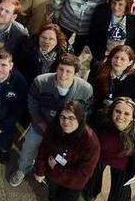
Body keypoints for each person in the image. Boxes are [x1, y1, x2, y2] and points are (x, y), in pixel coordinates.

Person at [9, 53, 93, 187]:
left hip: (65, 132)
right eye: (61, 69)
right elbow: (32, 104)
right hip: (41, 125)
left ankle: (49, 173)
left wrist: (68, 130)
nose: (63, 74)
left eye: (68, 71)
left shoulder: (86, 90)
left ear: (76, 73)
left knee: (57, 155)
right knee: (28, 147)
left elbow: (85, 113)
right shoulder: (40, 82)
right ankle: (22, 168)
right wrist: (42, 124)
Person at [34, 102, 100, 201]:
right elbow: (43, 149)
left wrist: (57, 169)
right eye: (63, 117)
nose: (66, 122)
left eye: (71, 118)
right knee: (53, 191)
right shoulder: (54, 128)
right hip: (52, 173)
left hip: (74, 181)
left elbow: (84, 172)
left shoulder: (91, 142)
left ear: (80, 119)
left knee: (68, 198)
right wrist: (40, 170)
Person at [82, 97, 135, 201]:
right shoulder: (101, 119)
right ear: (112, 111)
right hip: (100, 157)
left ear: (133, 117)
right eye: (117, 111)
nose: (121, 116)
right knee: (92, 177)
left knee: (120, 190)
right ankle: (90, 192)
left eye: (126, 113)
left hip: (124, 165)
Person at [87, 45, 135, 126]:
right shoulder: (98, 68)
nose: (118, 61)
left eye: (122, 59)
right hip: (96, 110)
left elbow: (132, 103)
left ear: (130, 62)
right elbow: (90, 90)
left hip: (118, 115)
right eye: (116, 57)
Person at [88, 0, 135, 64]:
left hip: (122, 60)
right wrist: (98, 55)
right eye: (114, 3)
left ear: (127, 5)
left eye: (120, 4)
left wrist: (131, 59)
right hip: (102, 57)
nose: (116, 7)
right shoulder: (101, 11)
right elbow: (93, 34)